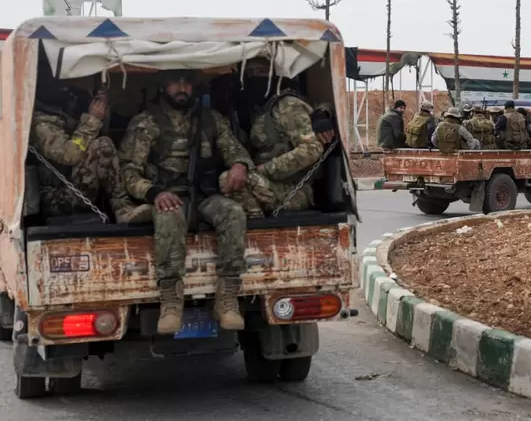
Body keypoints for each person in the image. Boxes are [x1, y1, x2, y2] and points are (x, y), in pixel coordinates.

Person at [119, 69, 253, 334]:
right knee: (169, 215)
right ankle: (171, 300)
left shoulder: (211, 120)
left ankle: (226, 298)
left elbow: (235, 149)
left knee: (234, 212)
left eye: (187, 82)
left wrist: (239, 165)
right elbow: (128, 172)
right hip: (168, 196)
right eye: (175, 82)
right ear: (163, 86)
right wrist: (154, 192)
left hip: (203, 195)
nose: (182, 88)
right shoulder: (146, 123)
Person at [29, 74, 151, 224]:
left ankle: (122, 208)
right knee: (102, 145)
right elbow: (70, 155)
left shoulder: (61, 116)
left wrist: (101, 113)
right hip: (56, 201)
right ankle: (121, 208)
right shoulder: (40, 126)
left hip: (74, 189)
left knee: (102, 144)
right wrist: (93, 119)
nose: (68, 92)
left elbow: (93, 143)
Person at [223, 59, 332, 217]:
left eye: (261, 72)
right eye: (250, 74)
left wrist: (267, 169)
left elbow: (312, 149)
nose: (255, 78)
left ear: (274, 74)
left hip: (296, 191)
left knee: (228, 179)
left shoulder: (287, 105)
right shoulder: (257, 109)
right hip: (270, 185)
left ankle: (257, 225)